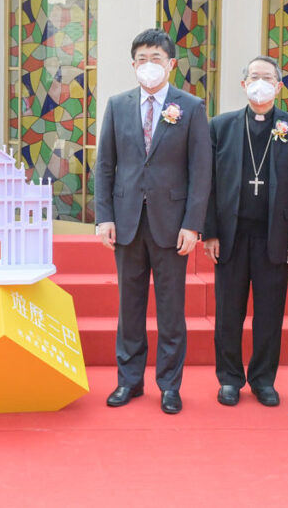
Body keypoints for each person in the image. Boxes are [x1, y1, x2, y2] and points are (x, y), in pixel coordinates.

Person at [95, 28, 211, 414]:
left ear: (171, 64)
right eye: (142, 59)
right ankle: (128, 381)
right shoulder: (118, 105)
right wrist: (104, 217)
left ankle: (169, 385)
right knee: (129, 307)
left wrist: (193, 223)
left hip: (171, 224)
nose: (149, 65)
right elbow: (105, 166)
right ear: (133, 65)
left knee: (171, 309)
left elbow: (200, 171)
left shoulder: (190, 107)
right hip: (127, 221)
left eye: (156, 59)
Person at [202, 56, 288, 407]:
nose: (260, 83)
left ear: (279, 86)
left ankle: (264, 380)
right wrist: (210, 232)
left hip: (275, 237)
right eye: (254, 77)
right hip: (231, 235)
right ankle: (229, 379)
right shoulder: (220, 126)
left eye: (268, 78)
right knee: (227, 313)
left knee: (269, 313)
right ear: (244, 84)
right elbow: (208, 183)